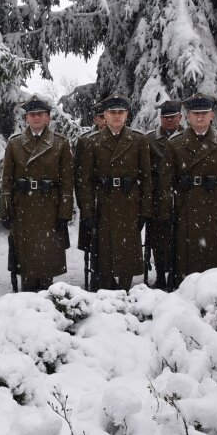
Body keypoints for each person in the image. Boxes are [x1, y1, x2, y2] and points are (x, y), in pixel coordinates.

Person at [159, 94, 217, 286]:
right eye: (196, 114)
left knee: (213, 264)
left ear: (212, 115)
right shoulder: (175, 143)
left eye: (204, 113)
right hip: (186, 210)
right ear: (188, 116)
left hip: (215, 210)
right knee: (186, 264)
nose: (200, 117)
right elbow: (166, 182)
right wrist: (166, 212)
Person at [76, 94, 152, 291]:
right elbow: (84, 181)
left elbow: (146, 179)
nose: (116, 116)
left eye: (120, 112)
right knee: (104, 252)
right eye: (112, 113)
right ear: (105, 115)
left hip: (129, 203)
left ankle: (125, 289)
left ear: (127, 114)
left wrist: (145, 210)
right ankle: (106, 290)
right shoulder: (91, 142)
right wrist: (87, 211)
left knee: (127, 252)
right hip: (104, 203)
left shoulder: (138, 140)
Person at [0, 94, 74, 292]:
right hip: (23, 207)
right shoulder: (15, 143)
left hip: (49, 207)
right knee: (25, 258)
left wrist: (64, 213)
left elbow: (67, 182)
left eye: (40, 114)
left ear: (48, 117)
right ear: (26, 118)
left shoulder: (60, 143)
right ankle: (27, 300)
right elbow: (7, 180)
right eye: (31, 115)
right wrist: (6, 208)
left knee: (46, 258)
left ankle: (46, 299)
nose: (36, 118)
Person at [145, 100, 183, 289]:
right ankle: (160, 276)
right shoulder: (150, 140)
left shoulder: (187, 137)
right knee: (158, 240)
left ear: (180, 117)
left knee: (181, 239)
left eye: (172, 117)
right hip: (158, 197)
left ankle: (177, 276)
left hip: (183, 196)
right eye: (165, 117)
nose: (169, 121)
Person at [76, 101, 106, 254]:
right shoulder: (85, 140)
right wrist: (83, 202)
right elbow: (79, 174)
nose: (105, 120)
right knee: (92, 239)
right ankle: (95, 269)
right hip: (91, 195)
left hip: (109, 196)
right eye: (101, 117)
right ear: (95, 119)